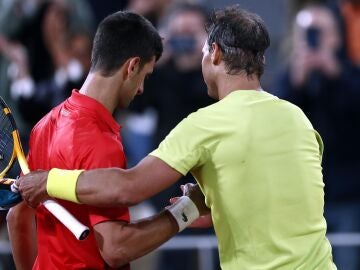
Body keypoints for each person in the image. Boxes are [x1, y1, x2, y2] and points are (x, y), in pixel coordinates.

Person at [17, 6, 337, 270]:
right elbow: (282, 194)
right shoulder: (298, 117)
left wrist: (49, 181)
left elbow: (128, 187)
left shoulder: (45, 125)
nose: (142, 88)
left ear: (214, 54)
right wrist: (206, 203)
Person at [7, 11, 207, 270]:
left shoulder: (46, 123)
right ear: (132, 66)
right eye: (145, 76)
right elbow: (116, 248)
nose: (141, 89)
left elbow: (18, 217)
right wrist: (188, 209)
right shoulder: (100, 142)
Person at [274, 2, 360, 269]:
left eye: (321, 32)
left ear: (336, 35)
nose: (314, 40)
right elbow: (274, 125)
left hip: (347, 195)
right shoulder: (286, 80)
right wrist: (297, 83)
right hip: (301, 199)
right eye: (308, 32)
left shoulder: (351, 75)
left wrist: (336, 75)